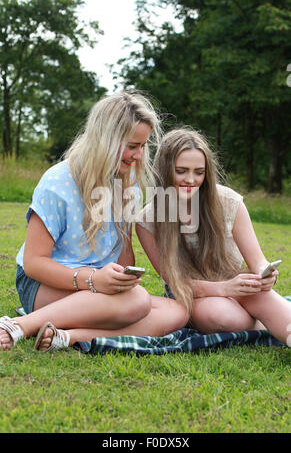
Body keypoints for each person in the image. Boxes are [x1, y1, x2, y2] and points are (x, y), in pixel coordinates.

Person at [0, 92, 188, 352]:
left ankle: (69, 336)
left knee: (177, 312)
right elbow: (34, 263)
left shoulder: (127, 187)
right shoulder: (58, 182)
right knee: (137, 303)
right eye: (132, 145)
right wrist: (92, 279)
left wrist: (121, 278)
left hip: (96, 289)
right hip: (44, 285)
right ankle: (20, 325)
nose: (138, 155)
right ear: (106, 140)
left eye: (143, 146)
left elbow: (123, 256)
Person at [136, 127, 291, 346]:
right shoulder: (148, 220)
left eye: (199, 172)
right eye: (181, 171)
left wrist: (264, 274)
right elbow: (177, 282)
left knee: (258, 296)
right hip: (193, 295)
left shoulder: (229, 202)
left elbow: (258, 261)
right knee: (222, 316)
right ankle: (267, 323)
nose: (191, 179)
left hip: (237, 286)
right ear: (164, 169)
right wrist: (224, 289)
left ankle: (280, 324)